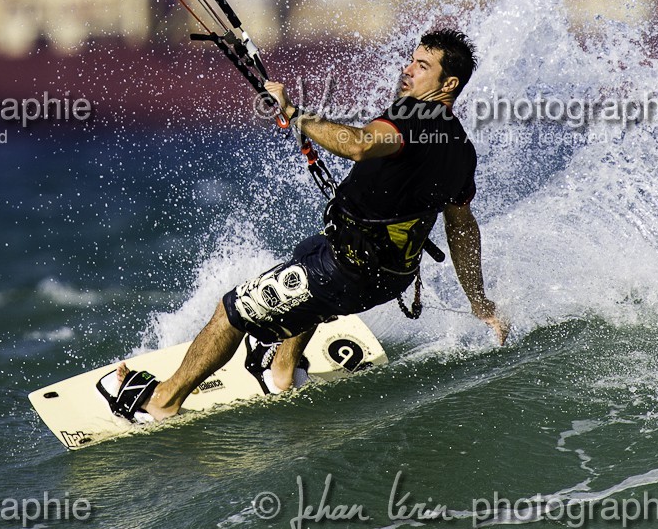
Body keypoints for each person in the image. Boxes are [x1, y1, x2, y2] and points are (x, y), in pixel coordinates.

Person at [105, 29, 507, 422]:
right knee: (308, 255)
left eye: (422, 66)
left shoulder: (413, 114)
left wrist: (292, 112)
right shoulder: (460, 148)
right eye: (411, 60)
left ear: (448, 82)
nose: (408, 70)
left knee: (231, 311)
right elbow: (462, 229)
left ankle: (164, 399)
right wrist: (479, 300)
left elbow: (360, 144)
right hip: (389, 279)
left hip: (345, 272)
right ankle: (282, 370)